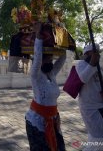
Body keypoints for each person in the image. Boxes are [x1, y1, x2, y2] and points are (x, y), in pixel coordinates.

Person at [25, 22, 67, 151]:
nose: (49, 60)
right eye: (46, 58)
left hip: (53, 119)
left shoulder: (52, 73)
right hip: (36, 122)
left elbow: (63, 58)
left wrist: (62, 38)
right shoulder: (36, 75)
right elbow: (37, 58)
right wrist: (38, 35)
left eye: (51, 58)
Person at [76, 44, 103, 150]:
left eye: (98, 52)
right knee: (101, 138)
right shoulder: (81, 65)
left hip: (102, 106)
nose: (97, 54)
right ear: (87, 54)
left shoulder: (99, 67)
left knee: (98, 137)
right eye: (94, 52)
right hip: (89, 107)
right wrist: (92, 63)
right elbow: (83, 78)